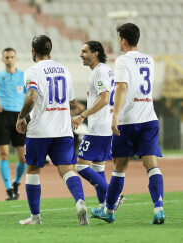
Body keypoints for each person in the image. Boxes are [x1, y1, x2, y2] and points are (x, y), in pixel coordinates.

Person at [91, 23, 165, 225]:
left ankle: (108, 210)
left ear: (123, 39)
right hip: (149, 118)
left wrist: (114, 116)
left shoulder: (122, 60)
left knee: (119, 168)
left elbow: (121, 88)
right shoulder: (149, 59)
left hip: (128, 121)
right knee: (152, 166)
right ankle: (159, 208)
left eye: (118, 38)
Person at [16, 35, 89, 226]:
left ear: (33, 50)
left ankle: (35, 218)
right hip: (63, 130)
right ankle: (80, 202)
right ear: (50, 49)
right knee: (67, 171)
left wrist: (20, 116)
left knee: (32, 170)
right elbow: (72, 102)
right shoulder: (64, 70)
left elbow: (31, 98)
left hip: (40, 130)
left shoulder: (32, 71)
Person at [71, 41, 126, 211]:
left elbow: (103, 99)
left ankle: (113, 196)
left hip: (98, 127)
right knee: (98, 167)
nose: (81, 54)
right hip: (106, 125)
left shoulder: (100, 72)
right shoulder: (106, 70)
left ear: (95, 53)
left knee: (80, 166)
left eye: (84, 51)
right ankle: (104, 206)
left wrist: (82, 115)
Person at [0, 48, 26, 200]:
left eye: (12, 57)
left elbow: (30, 95)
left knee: (22, 158)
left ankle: (16, 183)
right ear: (2, 59)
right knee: (4, 154)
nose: (9, 59)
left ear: (16, 58)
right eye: (6, 57)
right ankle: (9, 189)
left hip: (19, 117)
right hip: (3, 117)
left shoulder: (23, 76)